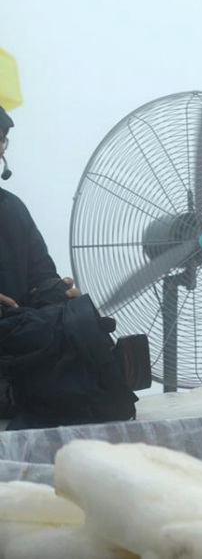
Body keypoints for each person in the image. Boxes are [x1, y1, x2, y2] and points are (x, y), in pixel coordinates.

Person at [0, 105, 81, 420]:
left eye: (2, 139)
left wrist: (56, 293)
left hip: (18, 373)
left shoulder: (12, 208)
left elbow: (41, 274)